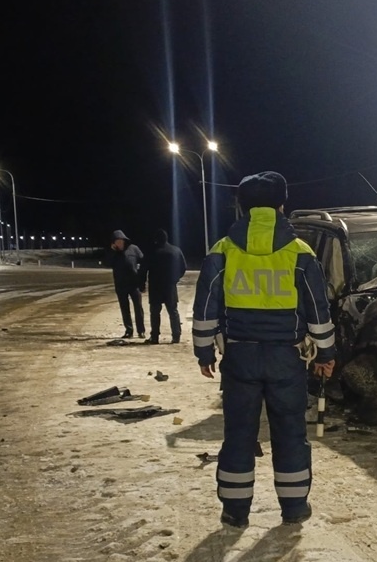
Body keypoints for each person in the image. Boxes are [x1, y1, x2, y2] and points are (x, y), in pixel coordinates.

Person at [192, 171, 336, 529]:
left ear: (241, 205)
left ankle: (235, 512)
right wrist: (326, 353)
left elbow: (206, 306)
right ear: (282, 205)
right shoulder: (300, 252)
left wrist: (204, 352)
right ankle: (294, 508)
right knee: (290, 433)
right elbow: (319, 309)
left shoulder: (222, 250)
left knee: (238, 433)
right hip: (287, 358)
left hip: (239, 357)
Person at [138, 228, 187, 344]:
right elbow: (183, 267)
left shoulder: (151, 251)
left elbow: (143, 270)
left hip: (155, 287)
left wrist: (141, 284)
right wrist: (176, 278)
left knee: (155, 313)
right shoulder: (176, 250)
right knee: (173, 311)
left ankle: (155, 337)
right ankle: (176, 336)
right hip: (170, 286)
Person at [108, 230, 145, 339]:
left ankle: (141, 331)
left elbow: (143, 261)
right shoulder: (113, 252)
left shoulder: (134, 249)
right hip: (120, 285)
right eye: (116, 241)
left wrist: (141, 275)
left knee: (138, 308)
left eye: (120, 241)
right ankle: (129, 330)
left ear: (124, 240)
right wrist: (114, 252)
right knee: (125, 308)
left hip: (134, 284)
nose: (119, 243)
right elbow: (109, 263)